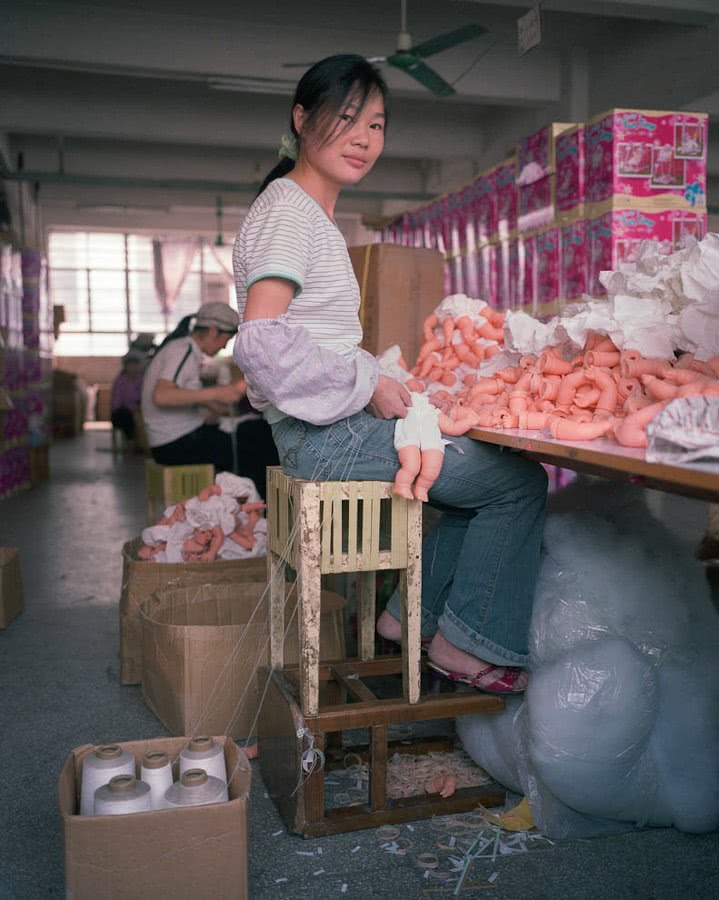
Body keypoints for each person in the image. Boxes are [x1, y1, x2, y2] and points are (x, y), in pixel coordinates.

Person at [232, 55, 547, 694]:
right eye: (345, 118)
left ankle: (412, 620)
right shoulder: (291, 211)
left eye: (375, 125)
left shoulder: (304, 212)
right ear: (301, 118)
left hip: (323, 426)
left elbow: (311, 340)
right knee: (516, 482)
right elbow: (260, 342)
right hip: (323, 437)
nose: (362, 139)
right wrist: (368, 384)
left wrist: (387, 379)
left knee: (472, 474)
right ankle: (464, 645)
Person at [141, 301, 278, 499]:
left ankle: (250, 507)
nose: (224, 345)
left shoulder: (187, 352)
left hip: (177, 439)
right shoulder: (183, 350)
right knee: (260, 442)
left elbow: (187, 395)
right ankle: (259, 510)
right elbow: (162, 396)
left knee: (253, 431)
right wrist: (218, 392)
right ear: (214, 331)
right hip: (176, 444)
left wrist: (220, 405)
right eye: (226, 338)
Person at [110, 351, 144, 449]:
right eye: (131, 366)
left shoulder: (141, 380)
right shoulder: (120, 382)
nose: (133, 368)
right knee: (126, 415)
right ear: (126, 367)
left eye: (135, 365)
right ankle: (131, 442)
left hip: (138, 411)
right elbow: (116, 403)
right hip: (121, 413)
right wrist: (133, 408)